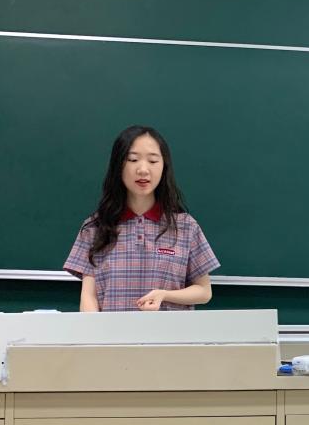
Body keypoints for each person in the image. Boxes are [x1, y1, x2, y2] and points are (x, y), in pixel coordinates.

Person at [64, 125, 219, 311]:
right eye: (133, 159)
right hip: (112, 330)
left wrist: (164, 295)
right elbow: (89, 296)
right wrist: (93, 330)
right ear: (118, 165)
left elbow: (204, 291)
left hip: (169, 330)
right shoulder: (96, 227)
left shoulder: (186, 226)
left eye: (153, 161)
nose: (143, 170)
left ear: (164, 167)